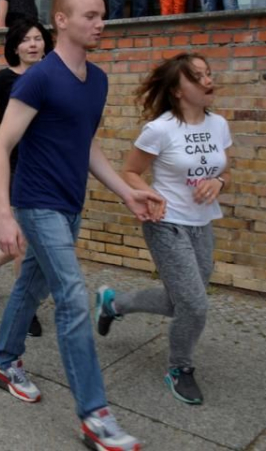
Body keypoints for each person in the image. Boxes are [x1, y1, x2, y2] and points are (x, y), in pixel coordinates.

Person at [0, 0, 163, 451]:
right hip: (35, 201)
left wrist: (127, 191)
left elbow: (87, 146)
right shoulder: (38, 78)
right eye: (90, 15)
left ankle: (3, 360)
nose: (100, 23)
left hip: (70, 203)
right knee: (71, 296)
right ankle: (95, 416)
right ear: (61, 21)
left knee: (33, 285)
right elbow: (3, 147)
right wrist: (4, 214)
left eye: (102, 15)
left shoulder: (99, 80)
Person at [95, 53, 231, 406]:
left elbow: (224, 171)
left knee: (180, 303)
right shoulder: (160, 129)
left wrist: (218, 181)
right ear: (177, 90)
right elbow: (130, 172)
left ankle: (114, 304)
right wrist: (149, 194)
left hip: (202, 224)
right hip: (166, 223)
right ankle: (179, 368)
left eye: (208, 73)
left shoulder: (218, 125)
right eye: (197, 76)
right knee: (195, 306)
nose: (207, 80)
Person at [0, 19, 54, 338]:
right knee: (24, 242)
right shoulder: (3, 79)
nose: (33, 44)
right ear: (15, 46)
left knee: (31, 240)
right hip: (14, 166)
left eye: (38, 39)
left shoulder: (53, 76)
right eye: (26, 40)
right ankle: (26, 308)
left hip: (46, 168)